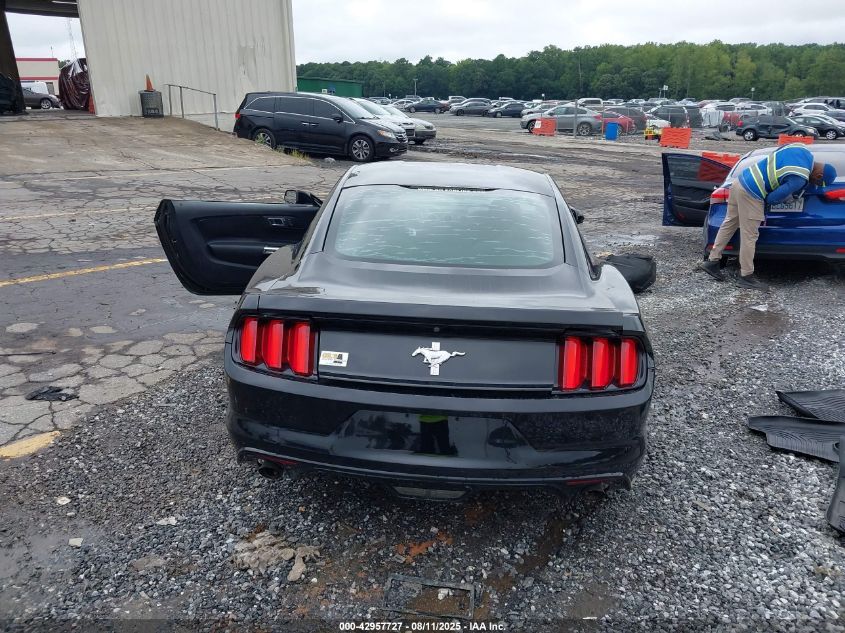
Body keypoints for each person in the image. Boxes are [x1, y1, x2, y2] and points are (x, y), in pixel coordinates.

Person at [700, 144, 836, 290]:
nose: (812, 183)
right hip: (752, 192)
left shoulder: (802, 151)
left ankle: (712, 261)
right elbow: (772, 199)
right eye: (815, 182)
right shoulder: (799, 178)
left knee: (730, 223)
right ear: (819, 176)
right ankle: (746, 276)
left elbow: (781, 159)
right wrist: (788, 197)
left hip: (739, 182)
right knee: (749, 235)